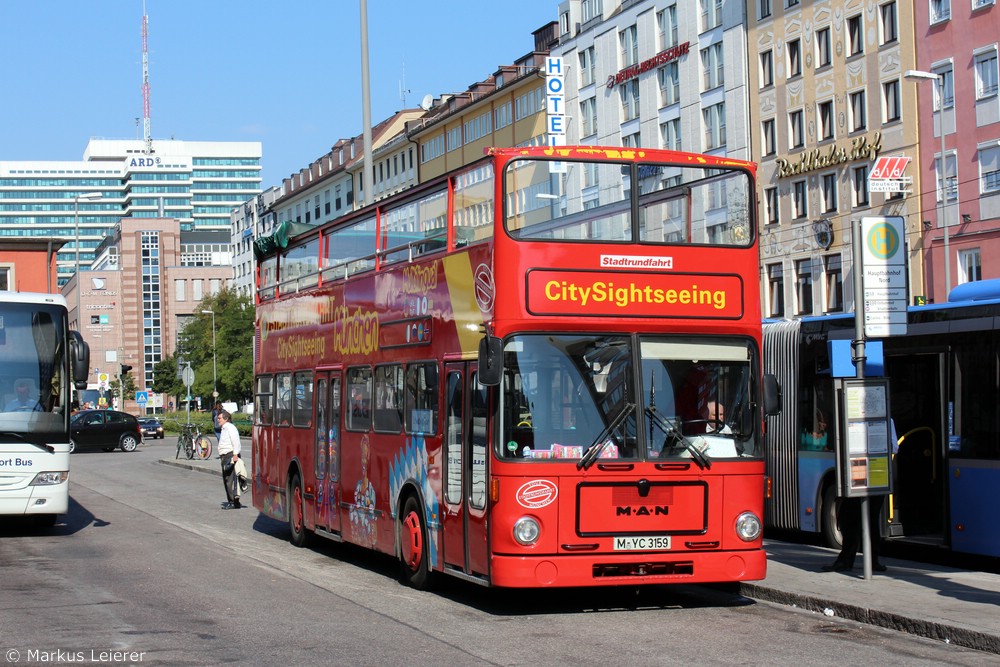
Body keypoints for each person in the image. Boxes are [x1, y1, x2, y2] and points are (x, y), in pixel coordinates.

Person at [823, 419, 897, 573]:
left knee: (851, 519)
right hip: (877, 475)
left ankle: (847, 560)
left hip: (860, 476)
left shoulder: (853, 418)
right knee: (870, 520)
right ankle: (872, 561)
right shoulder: (886, 419)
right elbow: (894, 447)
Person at [216, 409, 242, 509]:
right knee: (229, 479)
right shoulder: (224, 428)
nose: (218, 420)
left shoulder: (230, 428)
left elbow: (236, 441)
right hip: (225, 456)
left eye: (219, 418)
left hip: (230, 455)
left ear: (226, 419)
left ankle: (232, 502)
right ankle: (235, 502)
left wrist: (235, 454)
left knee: (229, 479)